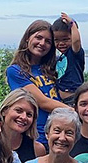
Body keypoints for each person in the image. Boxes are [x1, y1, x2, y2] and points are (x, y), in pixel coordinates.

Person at [7, 20, 70, 148]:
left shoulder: (54, 67)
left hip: (60, 134)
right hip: (37, 137)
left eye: (48, 41)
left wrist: (72, 27)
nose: (42, 43)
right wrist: (74, 112)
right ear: (27, 39)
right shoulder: (16, 71)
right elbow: (43, 102)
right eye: (38, 37)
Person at [1, 88, 47, 161]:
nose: (23, 117)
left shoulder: (37, 150)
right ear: (4, 111)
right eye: (18, 111)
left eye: (29, 114)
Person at [52, 12, 85, 106]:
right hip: (60, 100)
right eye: (57, 40)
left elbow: (76, 41)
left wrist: (72, 24)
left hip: (73, 99)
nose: (61, 43)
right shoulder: (59, 58)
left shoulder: (74, 53)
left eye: (65, 39)